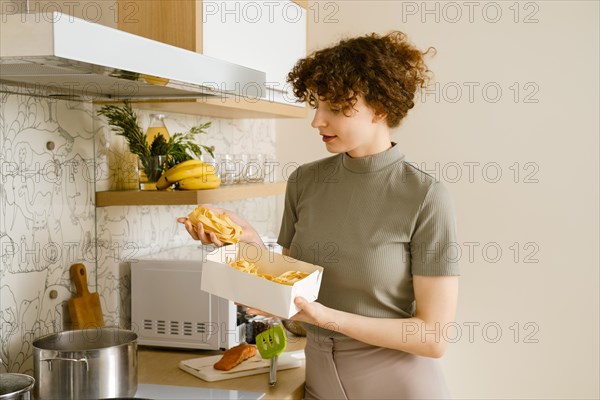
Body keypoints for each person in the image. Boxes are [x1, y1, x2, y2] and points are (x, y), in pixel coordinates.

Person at [178, 31, 459, 400]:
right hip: (319, 386)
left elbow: (433, 337)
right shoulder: (306, 181)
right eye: (316, 104)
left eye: (335, 108)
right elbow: (291, 290)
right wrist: (247, 244)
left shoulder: (424, 196)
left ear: (381, 107)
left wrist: (328, 319)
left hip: (398, 387)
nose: (317, 121)